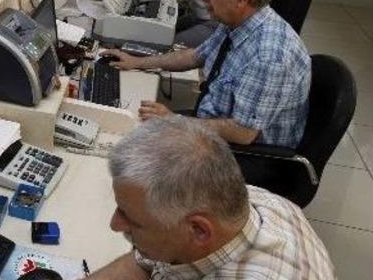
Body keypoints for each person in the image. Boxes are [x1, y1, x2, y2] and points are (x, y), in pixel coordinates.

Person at [105, 0, 310, 149]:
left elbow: (243, 133)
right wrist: (136, 62)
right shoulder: (236, 21)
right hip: (214, 123)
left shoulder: (269, 56)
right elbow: (195, 56)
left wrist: (173, 120)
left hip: (247, 154)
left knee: (133, 149)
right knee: (132, 125)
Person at [86, 118, 334, 279]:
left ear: (199, 230)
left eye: (132, 220)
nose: (114, 224)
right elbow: (145, 262)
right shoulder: (237, 198)